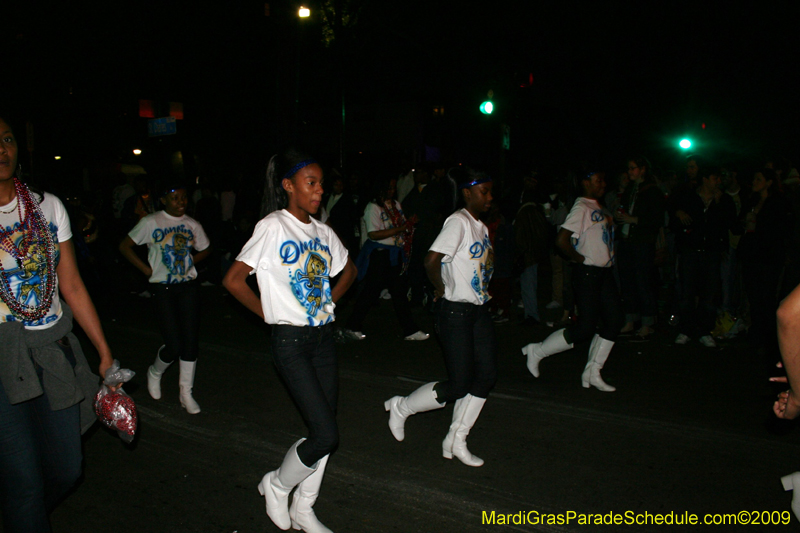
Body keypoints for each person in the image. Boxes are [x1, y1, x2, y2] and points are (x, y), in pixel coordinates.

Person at [222, 149, 356, 532]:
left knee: (324, 431)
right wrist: (269, 314)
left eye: (321, 184)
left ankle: (304, 508)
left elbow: (349, 271)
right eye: (311, 183)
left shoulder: (323, 232)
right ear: (288, 185)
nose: (319, 190)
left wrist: (329, 301)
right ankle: (278, 485)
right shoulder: (273, 227)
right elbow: (233, 280)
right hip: (292, 343)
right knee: (326, 434)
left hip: (323, 338)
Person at [0, 114, 116, 532]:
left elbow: (72, 285)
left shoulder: (48, 206)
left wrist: (104, 353)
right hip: (3, 355)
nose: (2, 149)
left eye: (8, 139)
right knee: (24, 482)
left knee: (67, 468)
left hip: (52, 347)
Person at [384, 166, 496, 466]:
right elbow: (431, 260)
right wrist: (441, 288)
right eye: (484, 192)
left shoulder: (481, 228)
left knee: (485, 376)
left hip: (478, 309)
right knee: (459, 384)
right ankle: (402, 407)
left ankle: (456, 440)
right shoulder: (458, 222)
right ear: (467, 193)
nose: (489, 197)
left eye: (490, 192)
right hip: (455, 311)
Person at [521, 171, 621, 392]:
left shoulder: (598, 206)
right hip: (588, 273)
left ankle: (593, 372)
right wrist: (580, 259)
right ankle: (537, 351)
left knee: (614, 321)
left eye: (603, 180)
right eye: (598, 180)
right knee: (585, 327)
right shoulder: (581, 207)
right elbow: (561, 240)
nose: (603, 184)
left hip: (604, 273)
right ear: (586, 183)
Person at [119, 184, 211, 414]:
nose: (181, 202)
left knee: (190, 342)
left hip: (187, 287)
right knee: (174, 345)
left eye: (184, 197)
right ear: (163, 200)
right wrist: (146, 270)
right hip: (163, 288)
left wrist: (191, 261)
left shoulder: (192, 224)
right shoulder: (151, 222)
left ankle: (186, 393)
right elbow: (125, 246)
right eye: (175, 198)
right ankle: (155, 372)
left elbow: (206, 248)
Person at [343, 176, 429, 341]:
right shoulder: (373, 207)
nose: (391, 191)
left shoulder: (395, 205)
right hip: (380, 254)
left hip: (395, 254)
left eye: (393, 188)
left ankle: (409, 330)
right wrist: (400, 229)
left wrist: (409, 224)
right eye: (388, 188)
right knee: (372, 291)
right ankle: (352, 326)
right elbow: (373, 234)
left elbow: (402, 225)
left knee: (397, 292)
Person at [615, 156, 665, 340]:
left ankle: (647, 323)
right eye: (629, 168)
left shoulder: (652, 191)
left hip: (642, 243)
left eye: (633, 168)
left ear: (642, 169)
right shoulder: (630, 189)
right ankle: (630, 320)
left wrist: (634, 220)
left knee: (643, 282)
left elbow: (657, 220)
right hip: (626, 241)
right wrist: (620, 216)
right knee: (627, 282)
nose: (630, 172)